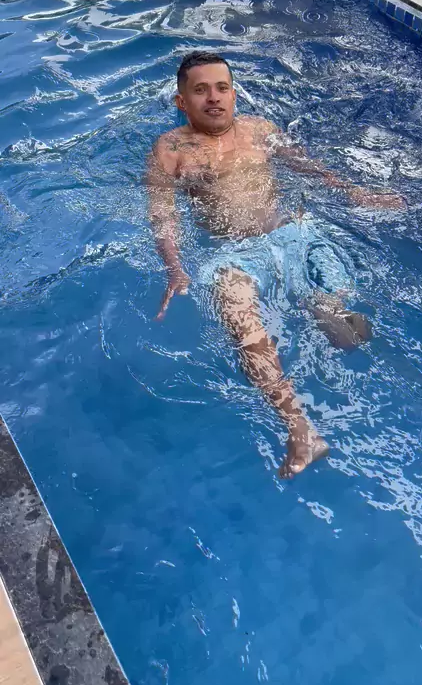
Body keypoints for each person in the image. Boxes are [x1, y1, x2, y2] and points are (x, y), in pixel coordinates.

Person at [146, 51, 404, 478]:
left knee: (341, 330)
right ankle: (301, 432)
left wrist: (357, 193)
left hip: (294, 234)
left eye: (222, 88)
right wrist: (174, 267)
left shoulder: (260, 130)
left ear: (234, 94)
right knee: (238, 316)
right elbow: (162, 214)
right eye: (201, 90)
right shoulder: (170, 149)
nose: (214, 98)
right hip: (235, 253)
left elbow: (311, 168)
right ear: (181, 102)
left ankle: (333, 316)